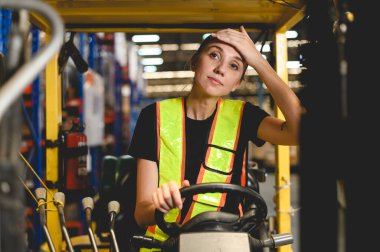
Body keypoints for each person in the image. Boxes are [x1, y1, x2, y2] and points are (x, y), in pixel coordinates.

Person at [127, 26, 302, 246]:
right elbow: (141, 214)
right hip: (166, 245)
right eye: (214, 55)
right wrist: (160, 207)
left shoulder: (244, 116)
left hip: (227, 243)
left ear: (237, 82)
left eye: (234, 65)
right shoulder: (153, 117)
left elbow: (300, 131)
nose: (221, 69)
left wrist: (258, 61)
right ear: (194, 62)